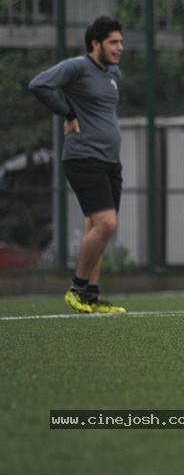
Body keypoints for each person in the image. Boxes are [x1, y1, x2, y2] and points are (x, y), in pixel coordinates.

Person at [28, 16, 127, 314]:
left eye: (121, 42)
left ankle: (91, 297)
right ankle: (77, 288)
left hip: (110, 161)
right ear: (95, 44)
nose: (120, 47)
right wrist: (68, 113)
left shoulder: (114, 74)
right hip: (84, 157)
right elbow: (38, 85)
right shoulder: (77, 66)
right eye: (113, 42)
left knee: (97, 228)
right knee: (107, 223)